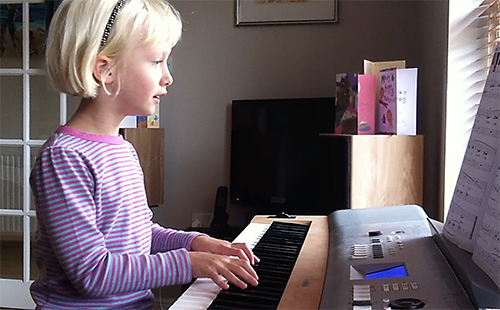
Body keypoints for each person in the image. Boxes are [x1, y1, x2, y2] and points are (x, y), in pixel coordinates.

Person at [29, 0, 259, 308]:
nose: (168, 77)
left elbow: (137, 238)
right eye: (156, 61)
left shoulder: (123, 149)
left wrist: (195, 242)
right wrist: (191, 263)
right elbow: (93, 273)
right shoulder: (64, 158)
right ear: (105, 70)